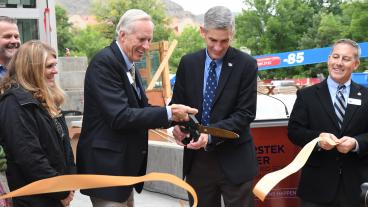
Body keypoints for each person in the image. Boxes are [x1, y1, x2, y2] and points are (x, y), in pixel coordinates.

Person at [76, 9, 197, 207]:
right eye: (142, 39)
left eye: (149, 40)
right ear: (122, 35)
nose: (147, 46)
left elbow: (142, 108)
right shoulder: (104, 64)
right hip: (107, 171)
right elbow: (120, 116)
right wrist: (169, 113)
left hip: (121, 170)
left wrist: (176, 117)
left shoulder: (128, 64)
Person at [170, 6, 259, 207]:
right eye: (213, 40)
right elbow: (177, 105)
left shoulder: (246, 65)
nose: (218, 47)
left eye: (225, 41)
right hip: (198, 162)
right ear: (203, 32)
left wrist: (210, 135)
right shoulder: (188, 63)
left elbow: (245, 113)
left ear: (232, 34)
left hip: (235, 160)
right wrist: (177, 126)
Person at [288, 39, 368, 207]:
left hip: (356, 186)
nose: (338, 63)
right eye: (335, 56)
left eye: (345, 59)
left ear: (356, 64)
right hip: (316, 187)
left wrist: (356, 143)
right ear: (328, 59)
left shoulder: (366, 95)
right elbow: (294, 131)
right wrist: (318, 139)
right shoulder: (306, 95)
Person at [0, 40, 75, 206]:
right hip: (34, 200)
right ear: (31, 68)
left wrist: (69, 183)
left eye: (55, 65)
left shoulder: (48, 100)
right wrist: (61, 191)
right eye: (49, 66)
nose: (55, 71)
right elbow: (30, 157)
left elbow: (65, 148)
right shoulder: (14, 104)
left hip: (53, 195)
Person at [0, 16, 21, 207]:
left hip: (23, 161)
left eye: (16, 35)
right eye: (7, 36)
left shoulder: (23, 73)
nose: (14, 40)